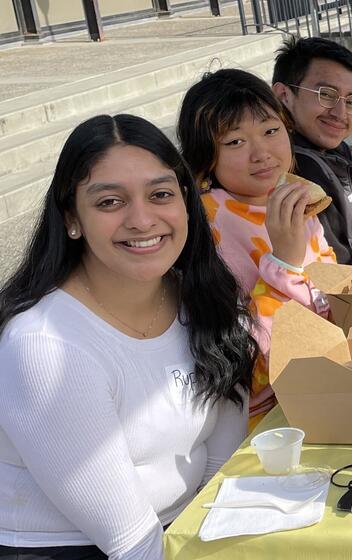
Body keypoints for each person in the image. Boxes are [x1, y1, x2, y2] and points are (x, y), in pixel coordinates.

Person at [0, 114, 256, 559]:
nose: (142, 220)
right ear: (71, 218)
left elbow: (221, 467)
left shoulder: (207, 299)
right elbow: (130, 543)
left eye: (160, 195)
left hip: (177, 529)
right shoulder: (45, 346)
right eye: (110, 202)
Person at [177, 69, 337, 426]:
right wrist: (284, 263)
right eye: (235, 142)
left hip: (326, 379)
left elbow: (328, 295)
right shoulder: (206, 227)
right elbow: (248, 364)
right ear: (206, 159)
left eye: (270, 131)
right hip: (263, 418)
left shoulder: (294, 197)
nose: (261, 153)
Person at [272, 36, 352, 268]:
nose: (340, 113)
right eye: (326, 94)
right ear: (284, 95)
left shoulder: (347, 158)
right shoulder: (293, 173)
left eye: (351, 101)